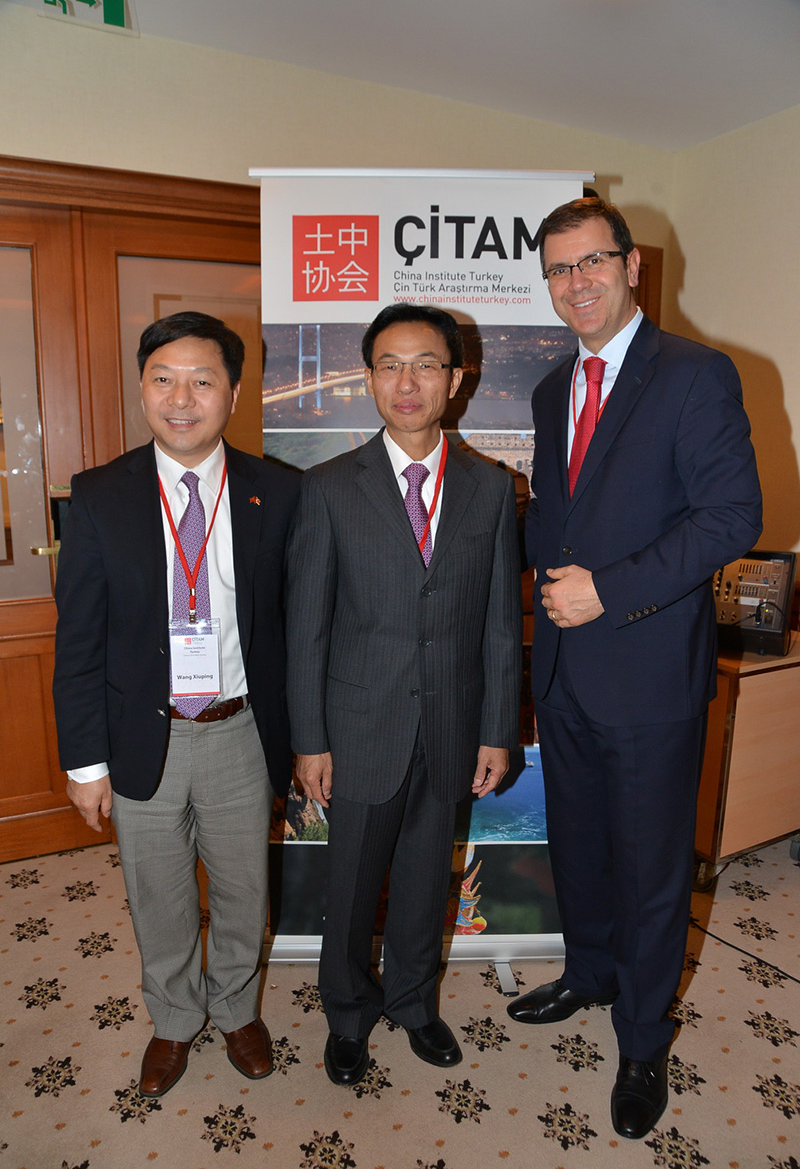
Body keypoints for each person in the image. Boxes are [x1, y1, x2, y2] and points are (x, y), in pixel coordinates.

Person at [506, 198, 762, 1139]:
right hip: (565, 671)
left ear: (632, 266)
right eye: (558, 269)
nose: (576, 283)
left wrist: (608, 593)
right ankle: (589, 974)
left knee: (652, 869)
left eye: (592, 262)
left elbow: (731, 516)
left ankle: (644, 1041)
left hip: (650, 674)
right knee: (576, 846)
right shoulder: (551, 390)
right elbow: (559, 520)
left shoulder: (695, 373)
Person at [53, 311, 299, 1098]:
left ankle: (236, 1009)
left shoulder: (278, 492)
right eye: (164, 379)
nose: (181, 398)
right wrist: (84, 764)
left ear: (234, 392)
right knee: (156, 893)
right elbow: (77, 641)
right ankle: (173, 1018)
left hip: (241, 731)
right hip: (138, 733)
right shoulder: (99, 496)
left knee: (243, 890)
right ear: (142, 389)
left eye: (201, 380)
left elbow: (299, 628)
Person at [286, 303, 522, 1086]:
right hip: (359, 726)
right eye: (390, 365)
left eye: (426, 364)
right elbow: (307, 628)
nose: (408, 382)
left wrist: (497, 729)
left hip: (452, 723)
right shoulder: (327, 488)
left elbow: (499, 623)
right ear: (368, 380)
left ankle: (415, 1003)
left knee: (426, 878)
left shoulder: (492, 490)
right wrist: (310, 739)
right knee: (352, 885)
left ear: (456, 380)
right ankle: (348, 1015)